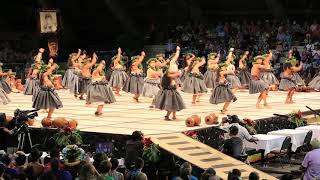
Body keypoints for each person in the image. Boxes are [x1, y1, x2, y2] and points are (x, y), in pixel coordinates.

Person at [154, 51, 186, 120]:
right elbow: (175, 74)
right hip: (170, 92)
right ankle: (167, 116)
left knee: (175, 103)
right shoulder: (167, 75)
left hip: (173, 91)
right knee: (171, 104)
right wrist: (180, 71)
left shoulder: (169, 74)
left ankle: (174, 116)